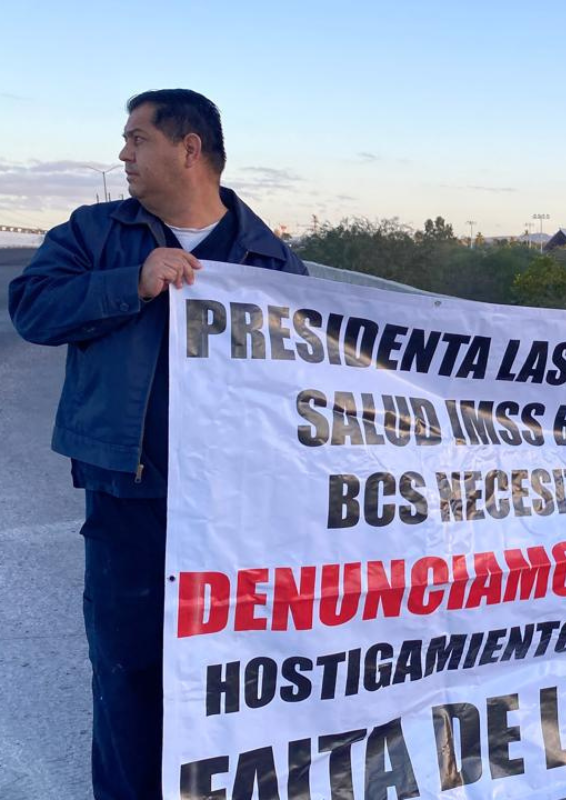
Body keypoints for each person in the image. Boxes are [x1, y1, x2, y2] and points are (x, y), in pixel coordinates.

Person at [8, 89, 307, 798]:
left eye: (136, 138)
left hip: (238, 511)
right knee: (128, 678)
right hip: (129, 496)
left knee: (233, 678)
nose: (123, 154)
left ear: (189, 147)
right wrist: (131, 283)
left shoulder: (270, 258)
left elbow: (308, 381)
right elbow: (31, 309)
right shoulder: (92, 233)